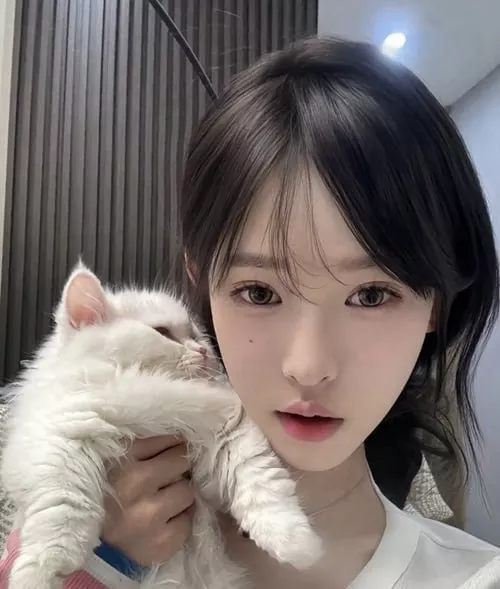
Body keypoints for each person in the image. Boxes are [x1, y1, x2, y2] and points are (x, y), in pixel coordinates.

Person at [1, 36, 499, 588]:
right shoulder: (72, 533)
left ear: (436, 302)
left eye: (372, 295)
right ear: (203, 283)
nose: (308, 367)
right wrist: (95, 566)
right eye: (259, 292)